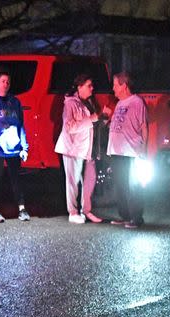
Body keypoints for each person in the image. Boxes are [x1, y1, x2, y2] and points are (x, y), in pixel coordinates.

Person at [54, 74, 111, 224]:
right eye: (89, 85)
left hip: (89, 148)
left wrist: (104, 118)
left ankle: (87, 210)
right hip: (73, 148)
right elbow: (69, 127)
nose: (92, 88)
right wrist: (92, 118)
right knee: (73, 181)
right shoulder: (70, 103)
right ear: (79, 87)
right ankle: (72, 212)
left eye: (92, 85)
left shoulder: (90, 102)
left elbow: (95, 125)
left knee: (89, 180)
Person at [0, 68, 30, 222]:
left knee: (16, 176)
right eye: (3, 81)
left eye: (8, 82)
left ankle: (22, 209)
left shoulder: (15, 102)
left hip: (13, 147)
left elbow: (20, 125)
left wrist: (24, 146)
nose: (6, 84)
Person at [107, 71, 148, 229]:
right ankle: (124, 215)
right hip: (117, 151)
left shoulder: (137, 102)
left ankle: (136, 217)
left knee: (133, 185)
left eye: (116, 85)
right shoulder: (119, 103)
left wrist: (143, 149)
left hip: (131, 152)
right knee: (120, 184)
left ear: (124, 86)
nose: (114, 89)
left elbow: (143, 126)